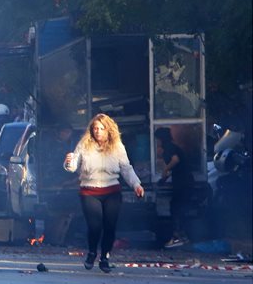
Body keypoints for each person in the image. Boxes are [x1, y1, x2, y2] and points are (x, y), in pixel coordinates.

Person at [64, 113, 144, 272]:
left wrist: (136, 185)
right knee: (95, 226)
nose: (98, 131)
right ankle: (92, 252)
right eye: (95, 128)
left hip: (112, 191)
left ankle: (105, 257)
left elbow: (126, 168)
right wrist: (68, 162)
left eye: (101, 128)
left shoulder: (117, 146)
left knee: (110, 226)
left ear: (109, 130)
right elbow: (73, 166)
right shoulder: (84, 144)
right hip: (89, 191)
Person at [155, 127, 192, 249]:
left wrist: (166, 169)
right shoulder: (170, 147)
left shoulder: (168, 147)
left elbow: (175, 160)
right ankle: (182, 236)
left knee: (176, 208)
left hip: (183, 182)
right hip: (183, 181)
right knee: (178, 208)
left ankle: (178, 237)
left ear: (161, 138)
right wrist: (163, 179)